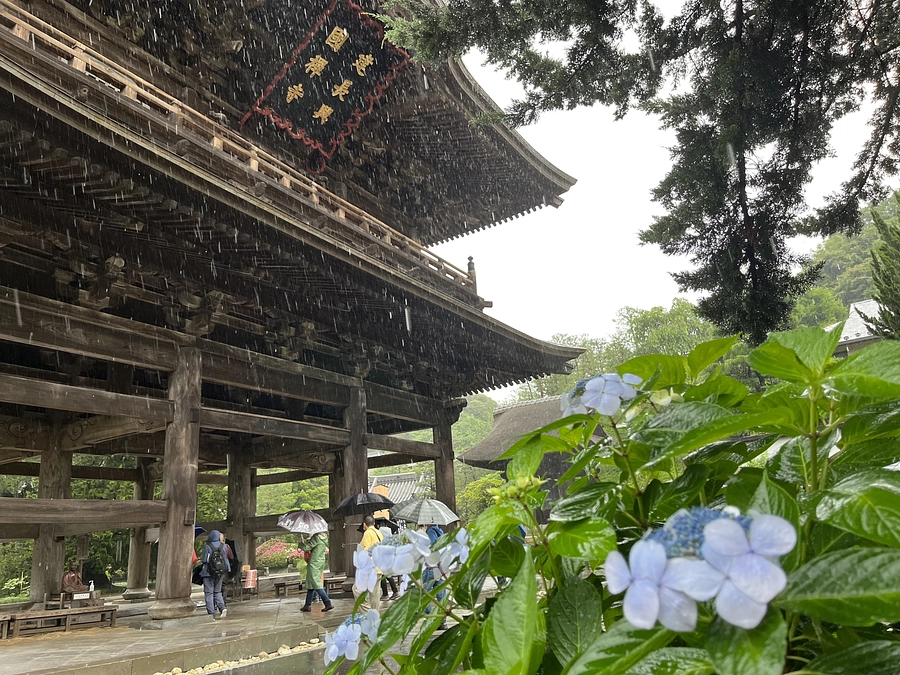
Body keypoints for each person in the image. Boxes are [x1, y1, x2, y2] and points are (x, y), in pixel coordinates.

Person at [298, 531, 334, 612]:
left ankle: (327, 603)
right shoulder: (324, 537)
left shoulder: (316, 537)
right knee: (311, 583)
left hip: (314, 562)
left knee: (316, 583)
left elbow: (307, 547)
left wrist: (300, 543)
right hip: (320, 561)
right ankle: (307, 605)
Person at [201, 529, 230, 621]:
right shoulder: (223, 546)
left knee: (209, 593)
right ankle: (222, 608)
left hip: (208, 572)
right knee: (217, 592)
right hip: (220, 572)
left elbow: (205, 560)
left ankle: (211, 614)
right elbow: (225, 559)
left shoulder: (208, 546)